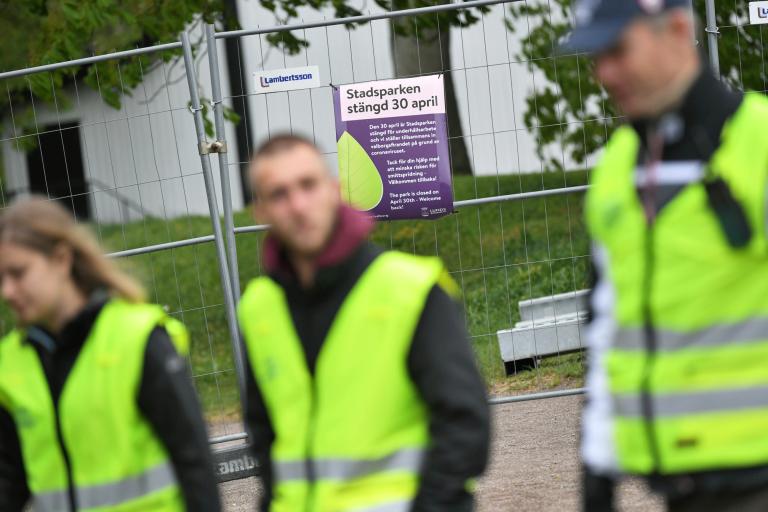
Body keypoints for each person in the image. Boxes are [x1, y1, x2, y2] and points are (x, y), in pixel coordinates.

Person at [560, 0, 768, 510]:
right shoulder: (615, 172)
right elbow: (609, 328)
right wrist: (598, 465)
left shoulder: (759, 143)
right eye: (595, 56)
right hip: (677, 485)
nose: (604, 73)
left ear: (677, 29)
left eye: (617, 50)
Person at [238, 134, 491, 512]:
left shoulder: (409, 289)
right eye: (279, 194)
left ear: (335, 190)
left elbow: (465, 425)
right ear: (260, 212)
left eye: (308, 185)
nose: (298, 206)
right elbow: (264, 433)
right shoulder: (260, 308)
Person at [0, 197, 221, 511]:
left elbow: (194, 462)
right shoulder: (10, 364)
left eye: (18, 273)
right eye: (0, 279)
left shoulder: (137, 337)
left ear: (61, 259)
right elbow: (9, 483)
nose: (6, 292)